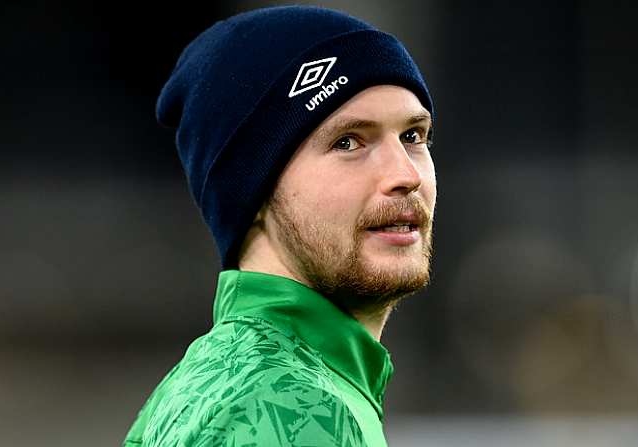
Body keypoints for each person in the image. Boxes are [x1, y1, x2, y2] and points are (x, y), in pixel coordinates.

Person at [123, 5, 436, 447]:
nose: (405, 174)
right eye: (347, 142)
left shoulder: (220, 382)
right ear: (252, 192)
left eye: (413, 136)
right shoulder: (290, 407)